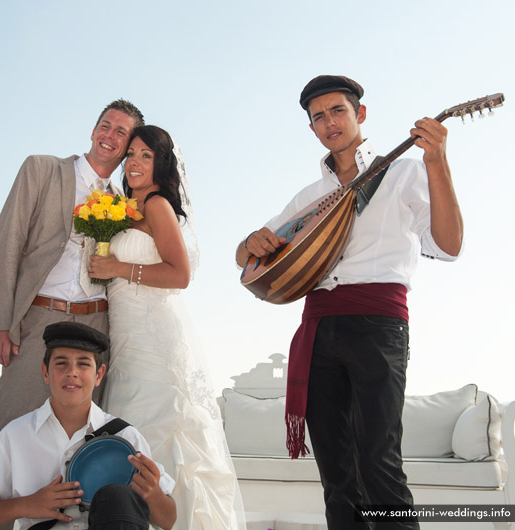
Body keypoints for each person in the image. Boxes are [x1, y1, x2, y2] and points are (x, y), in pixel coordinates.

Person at [235, 75, 464, 529]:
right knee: (337, 475)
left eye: (337, 110)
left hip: (378, 326)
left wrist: (437, 161)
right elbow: (246, 257)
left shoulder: (404, 173)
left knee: (378, 461)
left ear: (360, 114)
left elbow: (450, 244)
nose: (329, 122)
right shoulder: (309, 197)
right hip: (319, 328)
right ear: (312, 129)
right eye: (318, 117)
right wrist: (250, 242)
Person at [88, 125, 244, 529]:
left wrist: (117, 267)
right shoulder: (121, 208)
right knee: (126, 432)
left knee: (153, 432)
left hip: (152, 340)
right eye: (132, 154)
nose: (135, 162)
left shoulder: (156, 204)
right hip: (121, 337)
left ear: (161, 163)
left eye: (146, 155)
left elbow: (180, 275)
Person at [0, 99, 144, 436]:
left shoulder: (126, 204)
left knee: (80, 435)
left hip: (96, 323)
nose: (109, 136)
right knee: (15, 423)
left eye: (120, 132)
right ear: (93, 130)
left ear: (129, 146)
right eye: (105, 126)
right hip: (39, 317)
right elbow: (6, 243)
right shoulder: (41, 169)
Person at [0, 321, 177, 530]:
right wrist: (27, 504)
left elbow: (168, 520)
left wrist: (153, 493)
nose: (72, 372)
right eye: (61, 363)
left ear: (99, 374)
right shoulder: (15, 437)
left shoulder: (126, 437)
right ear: (45, 372)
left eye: (83, 364)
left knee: (119, 497)